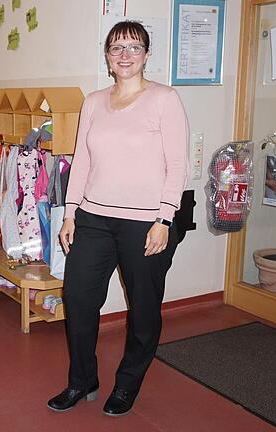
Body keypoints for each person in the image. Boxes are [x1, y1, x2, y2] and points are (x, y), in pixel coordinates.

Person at [47, 20, 189, 417]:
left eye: (134, 47)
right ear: (107, 56)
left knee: (143, 308)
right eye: (116, 48)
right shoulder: (93, 101)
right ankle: (82, 380)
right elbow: (83, 162)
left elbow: (177, 164)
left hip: (147, 223)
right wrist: (70, 213)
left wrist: (165, 218)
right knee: (77, 300)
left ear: (146, 54)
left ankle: (127, 384)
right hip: (92, 217)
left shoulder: (165, 99)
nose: (125, 55)